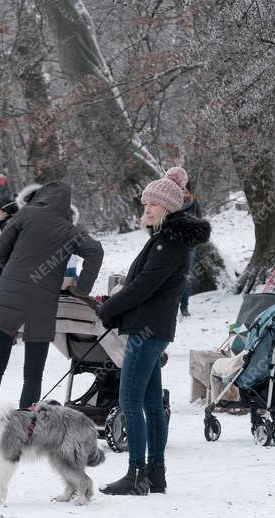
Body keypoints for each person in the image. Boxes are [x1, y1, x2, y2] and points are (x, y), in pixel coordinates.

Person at [97, 167, 211, 496]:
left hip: (147, 330)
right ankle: (155, 473)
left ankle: (136, 474)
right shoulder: (164, 239)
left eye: (154, 204)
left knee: (129, 400)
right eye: (145, 203)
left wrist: (110, 309)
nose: (147, 208)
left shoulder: (167, 243)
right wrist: (116, 301)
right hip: (150, 327)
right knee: (149, 403)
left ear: (170, 208)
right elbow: (140, 284)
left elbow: (145, 286)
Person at [0, 182, 103, 409]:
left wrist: (13, 272)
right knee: (33, 373)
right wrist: (82, 289)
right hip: (43, 303)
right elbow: (95, 251)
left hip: (9, 295)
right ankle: (27, 426)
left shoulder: (25, 214)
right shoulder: (70, 230)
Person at [178, 180, 203, 317]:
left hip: (189, 246)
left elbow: (200, 224)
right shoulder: (174, 203)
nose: (184, 194)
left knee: (186, 276)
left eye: (186, 191)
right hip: (174, 245)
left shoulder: (195, 204)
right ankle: (171, 305)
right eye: (182, 190)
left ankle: (184, 306)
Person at [0, 196, 20, 286]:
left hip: (9, 269)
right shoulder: (3, 223)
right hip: (3, 271)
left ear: (6, 211)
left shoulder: (10, 224)